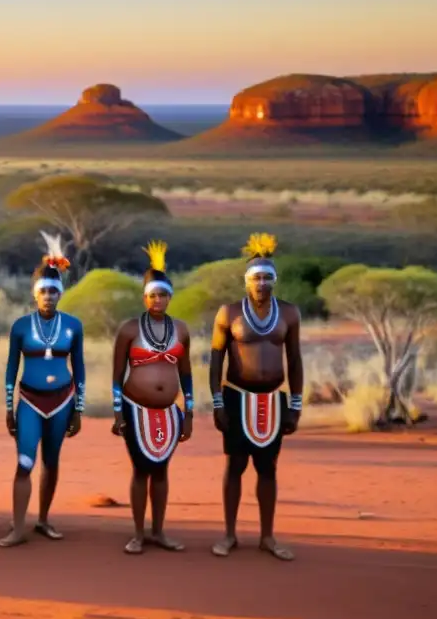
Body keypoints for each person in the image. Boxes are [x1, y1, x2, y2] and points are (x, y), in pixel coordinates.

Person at [210, 233, 303, 561]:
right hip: (236, 397)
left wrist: (295, 405)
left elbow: (294, 360)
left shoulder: (289, 314)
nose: (262, 283)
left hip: (273, 400)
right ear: (246, 281)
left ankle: (267, 536)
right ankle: (229, 535)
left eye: (268, 277)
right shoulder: (229, 313)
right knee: (234, 466)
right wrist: (218, 403)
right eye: (256, 278)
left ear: (275, 280)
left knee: (268, 468)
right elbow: (216, 359)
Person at [0, 232, 85, 548]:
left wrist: (78, 409)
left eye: (53, 291)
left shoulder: (73, 326)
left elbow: (80, 368)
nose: (48, 296)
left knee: (52, 461)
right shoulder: (21, 327)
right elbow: (11, 370)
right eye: (43, 291)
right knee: (24, 463)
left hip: (62, 402)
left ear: (60, 293)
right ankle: (18, 527)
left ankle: (44, 520)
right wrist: (9, 408)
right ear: (35, 295)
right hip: (30, 403)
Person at [111, 241, 193, 555]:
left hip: (169, 413)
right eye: (153, 295)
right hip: (135, 410)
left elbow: (186, 374)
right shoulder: (129, 329)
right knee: (140, 469)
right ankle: (137, 534)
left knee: (161, 470)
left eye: (163, 295)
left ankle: (159, 532)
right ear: (145, 297)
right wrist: (118, 413)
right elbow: (117, 374)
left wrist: (189, 412)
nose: (158, 300)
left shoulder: (181, 330)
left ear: (170, 296)